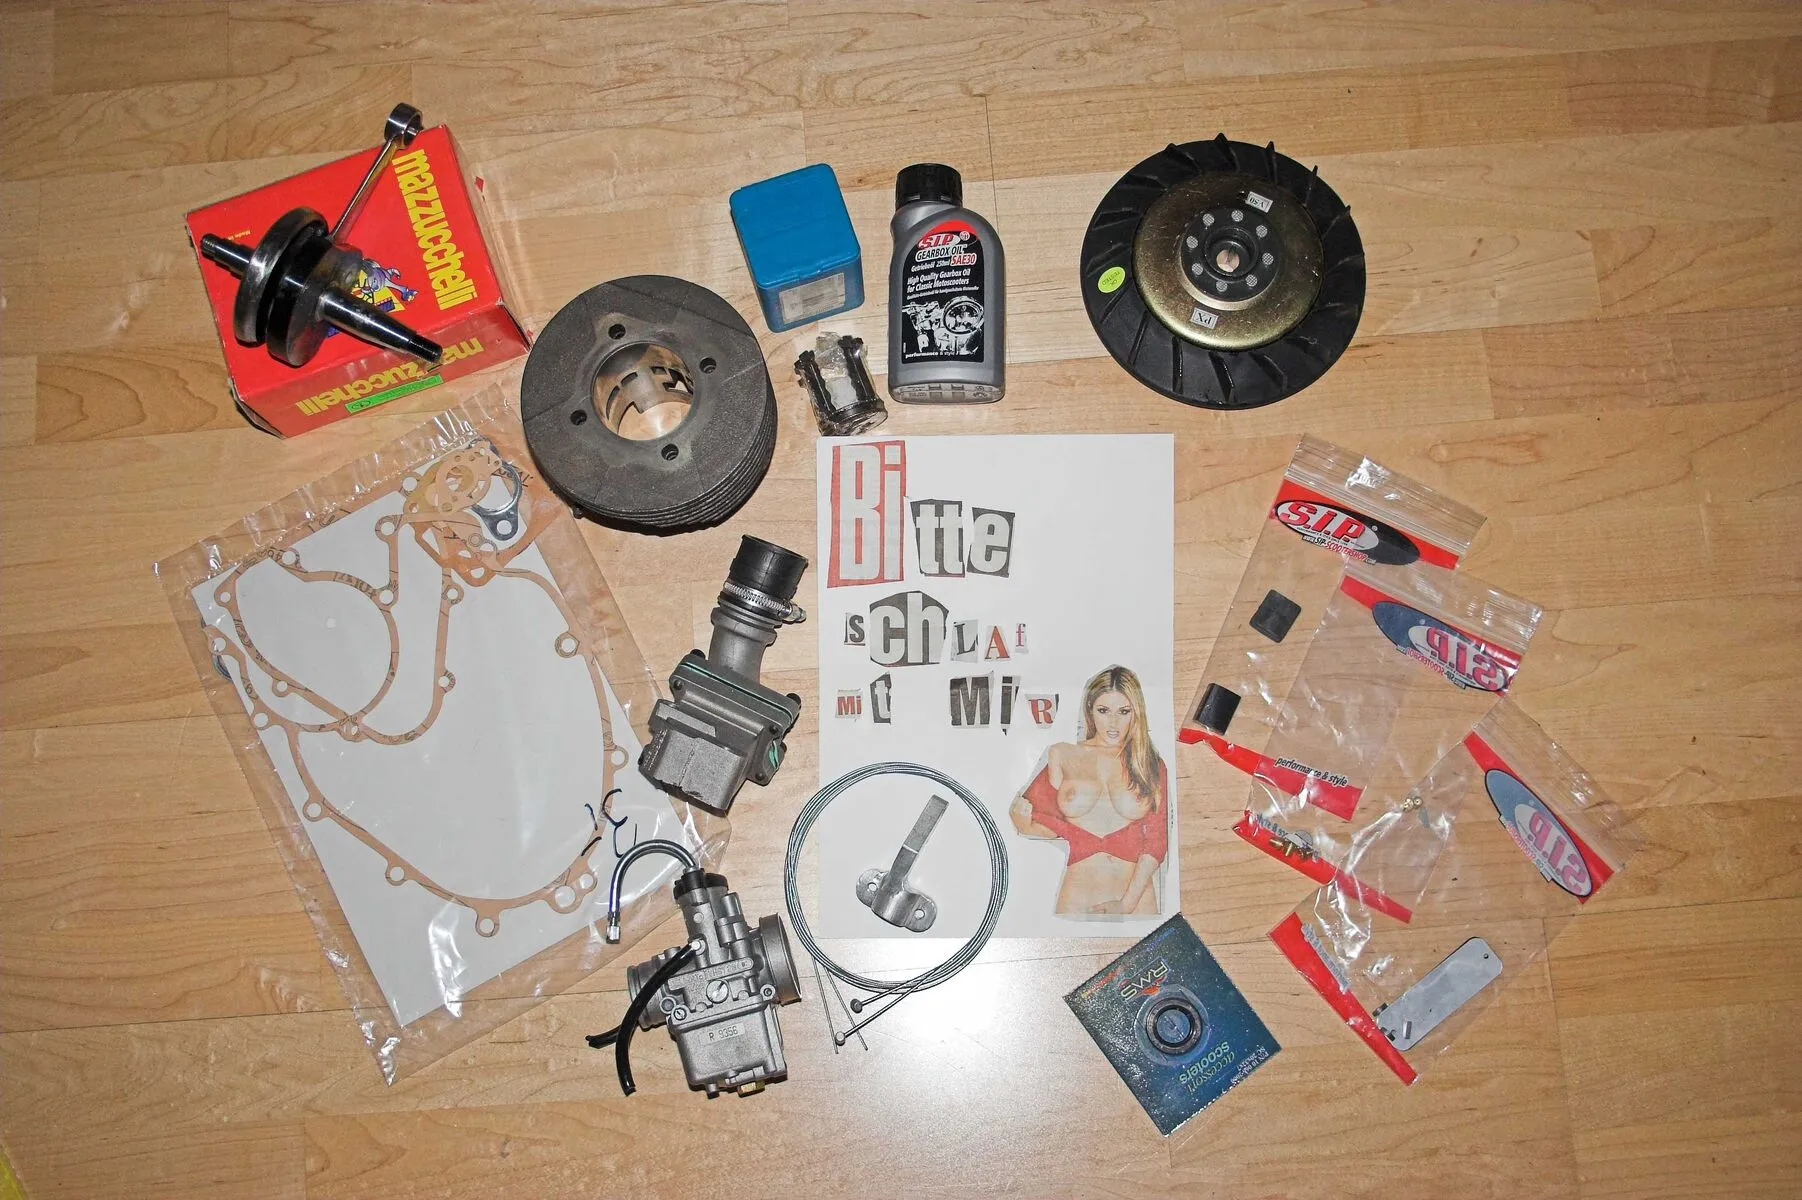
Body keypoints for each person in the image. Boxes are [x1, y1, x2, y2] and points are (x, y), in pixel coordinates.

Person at [1009, 665, 1169, 916]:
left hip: (1136, 904)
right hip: (1077, 896)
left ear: (1136, 713)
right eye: (1104, 711)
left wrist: (1125, 905)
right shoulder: (1063, 754)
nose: (1113, 723)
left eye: (1124, 711)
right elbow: (1041, 822)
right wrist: (1022, 823)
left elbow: (1157, 843)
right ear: (1090, 710)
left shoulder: (1149, 764)